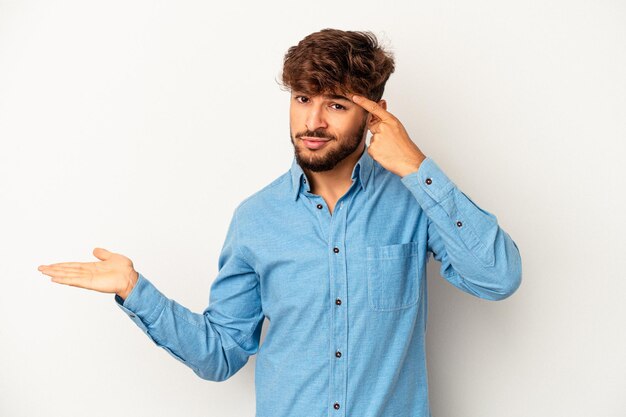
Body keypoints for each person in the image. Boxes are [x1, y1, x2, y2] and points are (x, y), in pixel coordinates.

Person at [38, 28, 522, 417]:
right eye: (302, 99)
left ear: (375, 115)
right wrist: (134, 289)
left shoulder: (414, 202)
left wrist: (417, 168)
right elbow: (222, 352)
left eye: (335, 104)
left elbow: (498, 278)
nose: (312, 122)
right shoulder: (256, 219)